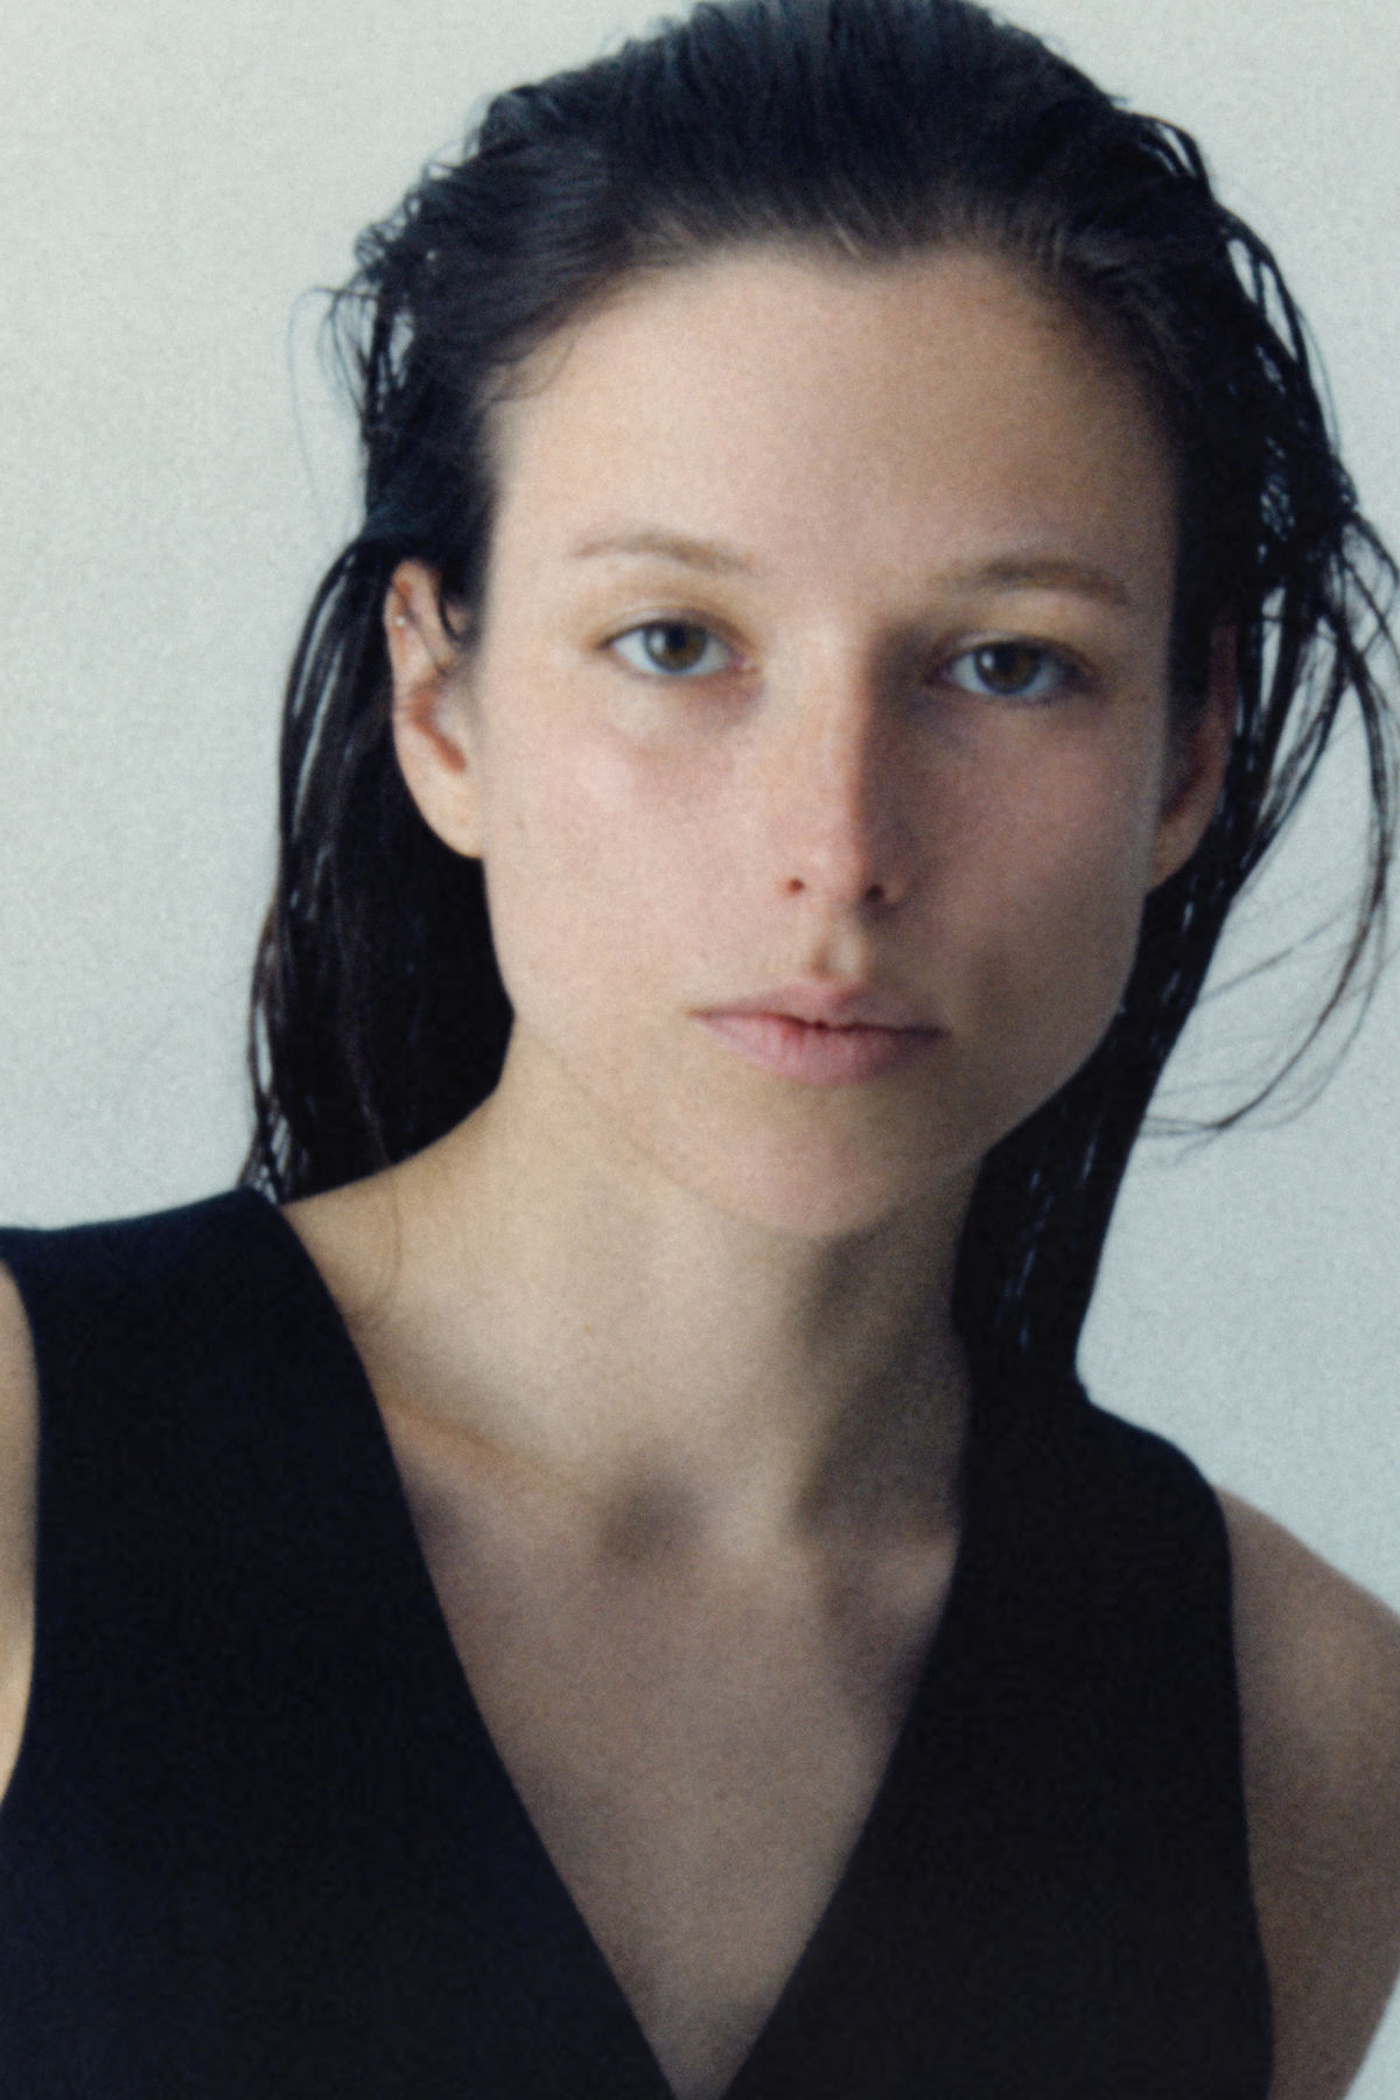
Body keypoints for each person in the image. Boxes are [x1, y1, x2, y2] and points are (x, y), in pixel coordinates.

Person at [1, 0, 1398, 2092]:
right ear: (439, 701)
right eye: (673, 643)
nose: (835, 849)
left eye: (1008, 666)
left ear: (1191, 751)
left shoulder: (1299, 1728)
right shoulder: (27, 1468)